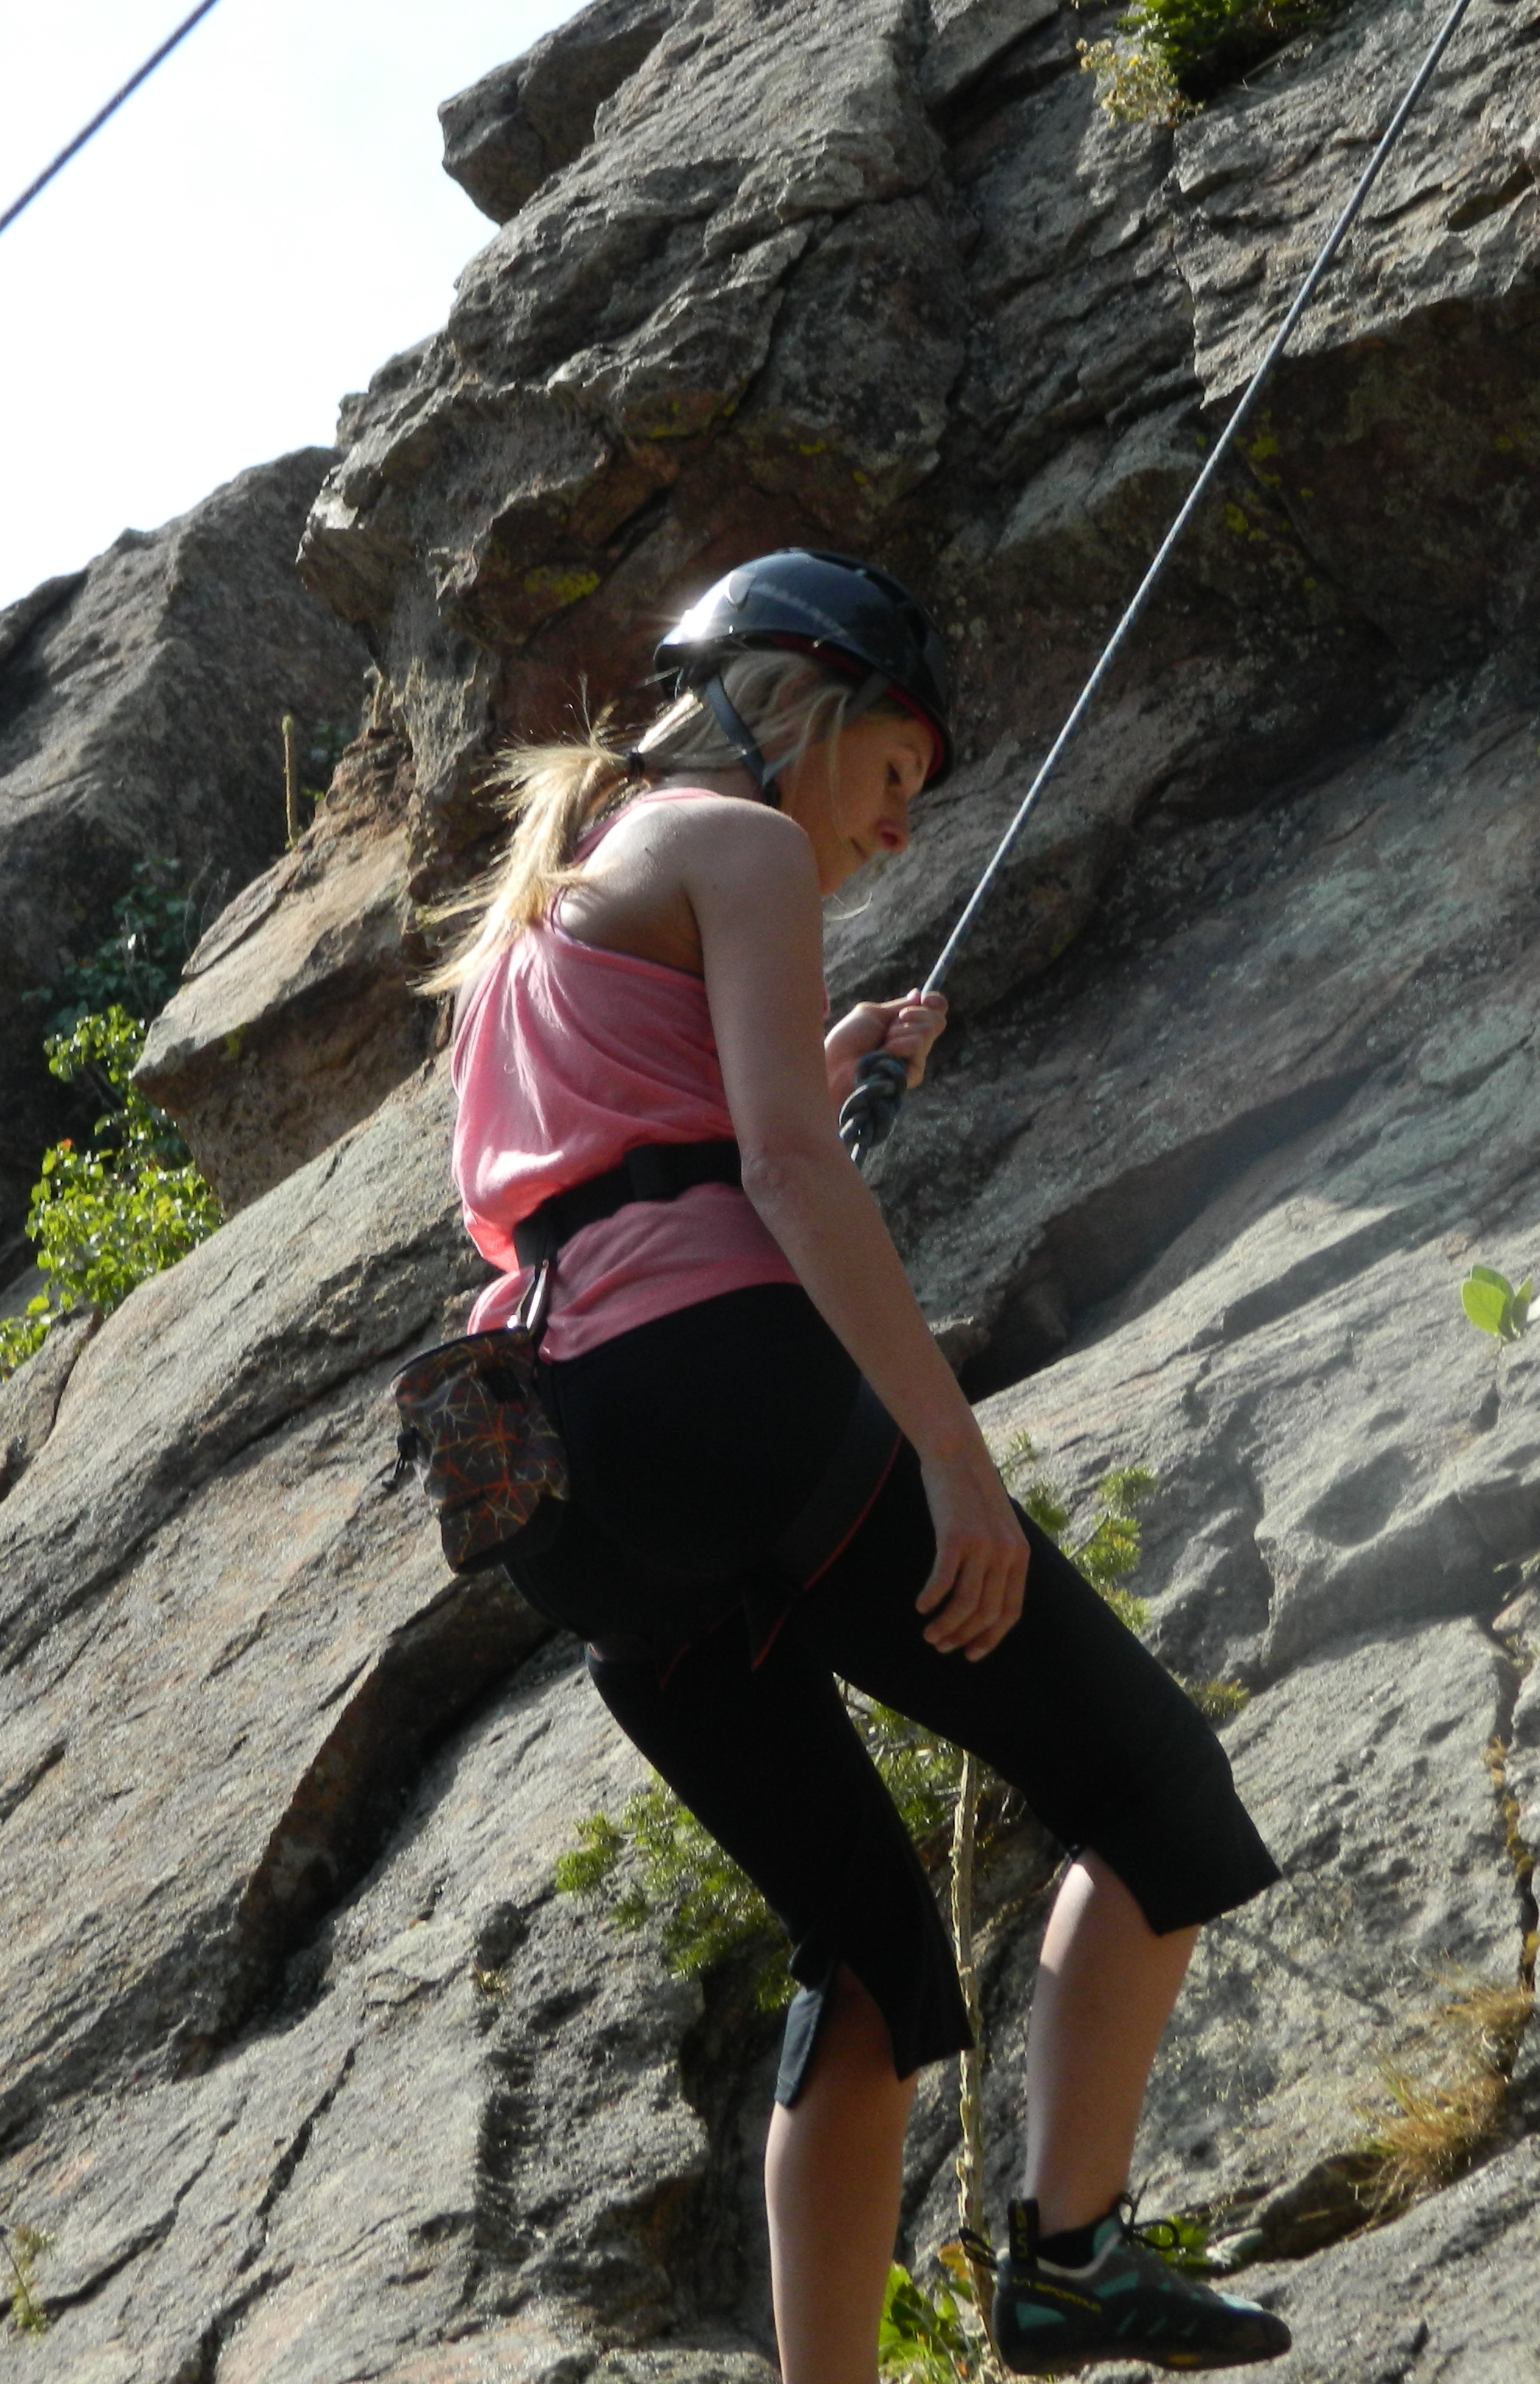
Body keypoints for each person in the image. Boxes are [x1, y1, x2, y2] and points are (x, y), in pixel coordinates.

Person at [429, 551, 1289, 2380]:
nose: (898, 834)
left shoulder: (521, 941)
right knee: (1153, 1797)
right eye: (893, 776)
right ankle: (1066, 2257)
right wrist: (952, 1459)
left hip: (571, 1492)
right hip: (727, 1405)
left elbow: (624, 1169)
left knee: (872, 1952)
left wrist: (812, 1068)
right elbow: (779, 1182)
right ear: (793, 701)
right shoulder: (726, 841)